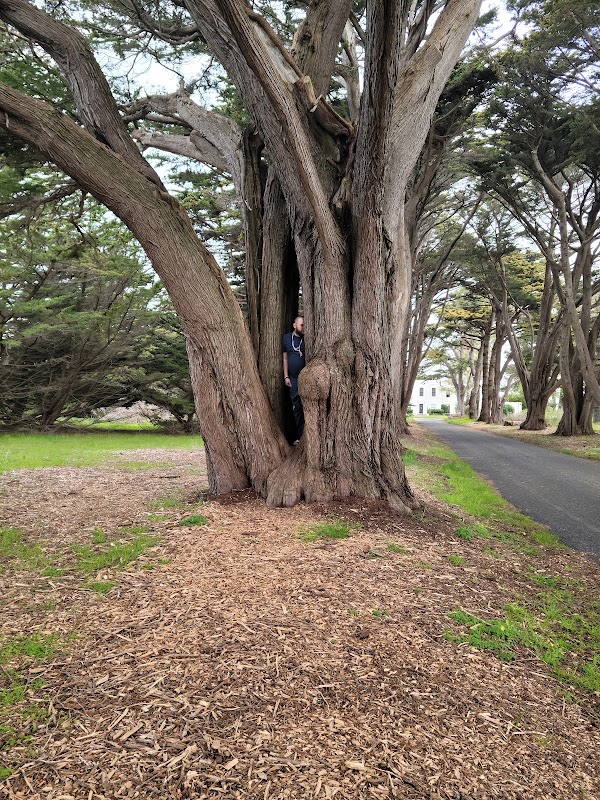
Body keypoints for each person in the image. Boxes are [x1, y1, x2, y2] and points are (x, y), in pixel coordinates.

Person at [282, 316, 305, 444]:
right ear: (294, 325)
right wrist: (286, 376)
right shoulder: (286, 338)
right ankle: (300, 435)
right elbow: (285, 358)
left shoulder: (306, 338)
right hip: (293, 378)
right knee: (296, 407)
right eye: (301, 325)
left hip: (305, 378)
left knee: (306, 404)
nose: (303, 327)